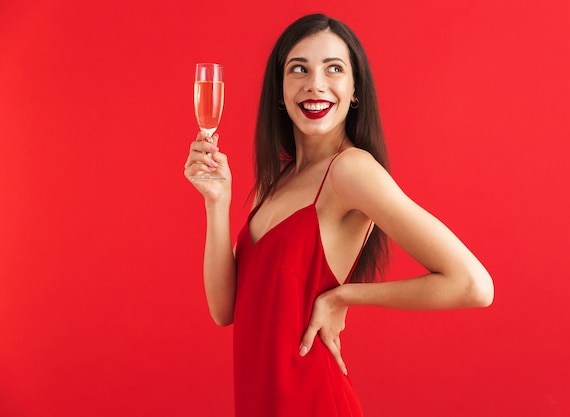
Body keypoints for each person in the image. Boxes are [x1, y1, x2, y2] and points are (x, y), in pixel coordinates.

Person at [184, 13, 493, 417]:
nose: (315, 83)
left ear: (354, 90)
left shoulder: (351, 171)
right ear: (280, 90)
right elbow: (225, 310)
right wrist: (216, 202)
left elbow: (473, 285)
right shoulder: (277, 176)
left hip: (312, 402)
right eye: (299, 69)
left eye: (334, 68)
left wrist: (345, 296)